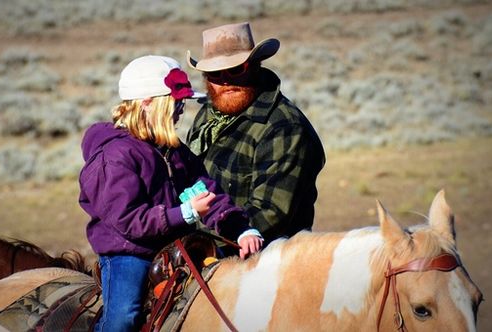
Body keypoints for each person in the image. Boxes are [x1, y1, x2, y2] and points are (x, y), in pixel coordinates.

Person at [78, 55, 263, 332]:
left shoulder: (173, 150)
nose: (181, 110)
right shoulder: (114, 157)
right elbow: (129, 221)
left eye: (183, 103)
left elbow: (206, 191)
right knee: (123, 320)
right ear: (147, 103)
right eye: (175, 102)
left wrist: (241, 230)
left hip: (174, 245)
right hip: (129, 253)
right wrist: (186, 213)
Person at [186, 22, 326, 245]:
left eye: (235, 68)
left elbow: (270, 213)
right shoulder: (208, 115)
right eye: (214, 73)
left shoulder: (284, 127)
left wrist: (203, 241)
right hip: (204, 245)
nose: (225, 79)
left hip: (262, 259)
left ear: (254, 66)